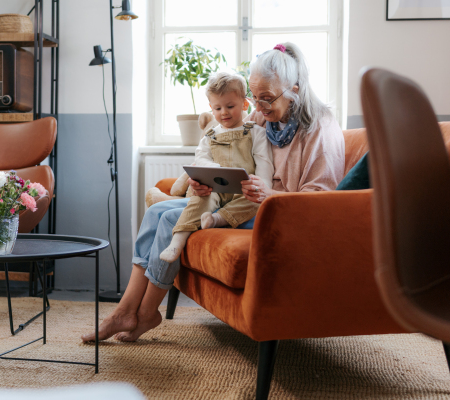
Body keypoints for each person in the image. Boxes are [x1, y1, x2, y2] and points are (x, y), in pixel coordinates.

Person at [81, 42, 344, 343]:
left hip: (279, 214)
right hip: (245, 201)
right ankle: (125, 311)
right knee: (156, 212)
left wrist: (269, 194)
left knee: (168, 220)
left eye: (267, 98)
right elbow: (230, 156)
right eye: (255, 99)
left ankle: (143, 314)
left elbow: (323, 202)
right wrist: (205, 180)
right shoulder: (263, 117)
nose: (259, 108)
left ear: (295, 88)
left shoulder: (321, 129)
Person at [159, 71, 274, 263]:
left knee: (256, 202)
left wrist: (261, 185)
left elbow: (264, 162)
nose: (224, 113)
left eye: (230, 106)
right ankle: (176, 243)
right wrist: (211, 170)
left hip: (244, 191)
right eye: (218, 108)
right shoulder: (210, 135)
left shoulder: (256, 132)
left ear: (245, 104)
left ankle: (217, 219)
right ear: (211, 108)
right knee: (200, 199)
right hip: (215, 189)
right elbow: (201, 158)